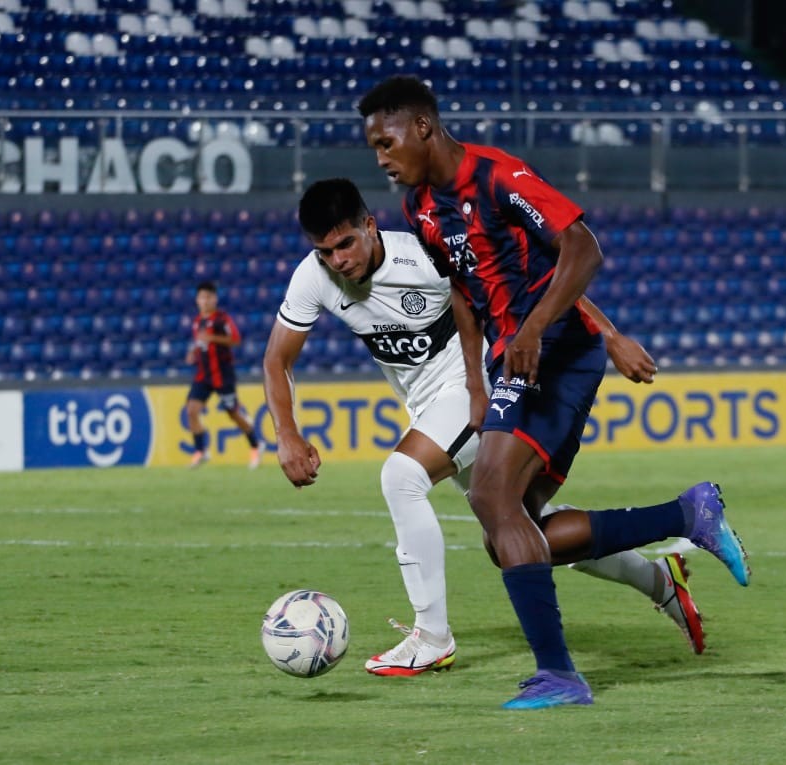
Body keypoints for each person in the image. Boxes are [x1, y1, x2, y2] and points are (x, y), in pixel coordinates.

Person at [359, 76, 750, 709]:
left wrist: (576, 332)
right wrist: (474, 381)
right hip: (513, 356)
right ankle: (688, 515)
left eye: (386, 140)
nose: (380, 156)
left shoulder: (498, 176)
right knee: (512, 531)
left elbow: (581, 247)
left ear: (423, 127)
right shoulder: (420, 209)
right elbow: (465, 292)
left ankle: (560, 675)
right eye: (373, 146)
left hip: (554, 352)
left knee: (489, 495)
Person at [262, 178, 707, 679]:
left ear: (369, 226)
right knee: (519, 533)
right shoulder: (313, 278)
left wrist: (611, 337)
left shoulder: (424, 257)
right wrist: (287, 433)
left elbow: (530, 290)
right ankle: (660, 581)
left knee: (401, 476)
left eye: (346, 244)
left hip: (477, 388)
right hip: (428, 407)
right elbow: (277, 360)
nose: (338, 260)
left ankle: (432, 637)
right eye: (325, 252)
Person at [184, 280, 265, 469]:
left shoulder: (222, 319)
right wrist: (193, 353)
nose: (204, 301)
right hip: (203, 376)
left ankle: (256, 445)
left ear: (215, 299)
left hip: (222, 375)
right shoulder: (197, 322)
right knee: (191, 410)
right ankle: (200, 451)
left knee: (233, 414)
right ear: (197, 300)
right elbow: (201, 345)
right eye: (201, 297)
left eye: (208, 297)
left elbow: (236, 339)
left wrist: (212, 338)